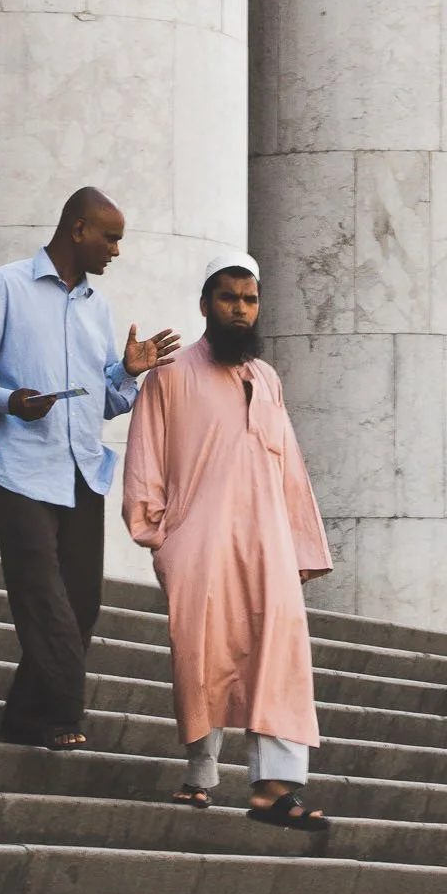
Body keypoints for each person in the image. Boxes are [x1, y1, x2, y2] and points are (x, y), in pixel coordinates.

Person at [0, 187, 177, 750]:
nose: (116, 250)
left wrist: (126, 372)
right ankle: (66, 712)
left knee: (82, 601)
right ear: (77, 230)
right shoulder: (6, 286)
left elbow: (103, 400)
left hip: (79, 469)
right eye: (110, 237)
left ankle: (24, 716)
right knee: (41, 593)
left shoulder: (97, 305)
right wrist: (6, 399)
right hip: (18, 467)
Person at [122, 250, 333, 829]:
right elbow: (144, 461)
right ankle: (200, 773)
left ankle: (273, 789)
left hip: (268, 544)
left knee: (281, 656)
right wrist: (163, 537)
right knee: (204, 655)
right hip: (201, 542)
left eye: (250, 300)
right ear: (205, 305)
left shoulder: (266, 379)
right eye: (228, 299)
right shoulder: (168, 376)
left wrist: (299, 546)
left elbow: (289, 466)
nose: (240, 310)